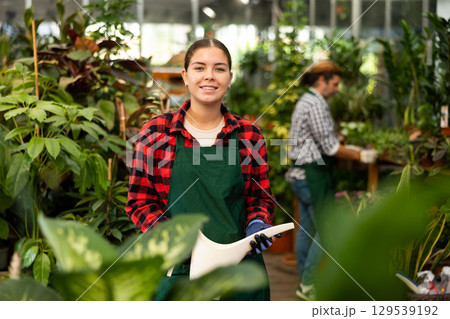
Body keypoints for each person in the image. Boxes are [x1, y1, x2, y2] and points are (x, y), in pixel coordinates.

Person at [126, 38, 277, 301]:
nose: (209, 76)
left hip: (240, 272)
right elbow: (139, 202)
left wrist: (258, 222)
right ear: (185, 76)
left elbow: (260, 197)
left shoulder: (249, 135)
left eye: (219, 69)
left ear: (230, 78)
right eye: (199, 68)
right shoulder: (156, 133)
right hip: (179, 273)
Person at [285, 60, 377, 300]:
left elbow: (325, 139)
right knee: (325, 230)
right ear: (322, 80)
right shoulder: (315, 104)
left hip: (301, 174)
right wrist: (361, 155)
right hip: (310, 176)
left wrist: (343, 142)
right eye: (335, 83)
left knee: (307, 229)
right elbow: (330, 147)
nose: (337, 88)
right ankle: (308, 285)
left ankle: (304, 282)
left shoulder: (308, 101)